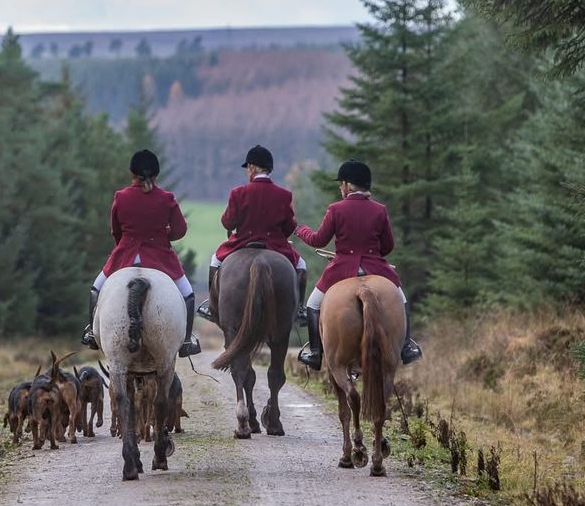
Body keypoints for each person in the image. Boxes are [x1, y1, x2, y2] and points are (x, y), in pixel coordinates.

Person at [293, 159, 422, 370]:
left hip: (342, 268)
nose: (339, 187)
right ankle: (407, 347)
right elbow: (388, 246)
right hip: (376, 267)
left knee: (312, 305)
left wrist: (301, 230)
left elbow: (318, 240)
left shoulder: (335, 209)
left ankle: (315, 353)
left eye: (340, 183)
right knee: (401, 299)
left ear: (347, 184)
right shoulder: (379, 210)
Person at [81, 149, 201, 357]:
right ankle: (186, 341)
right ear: (156, 174)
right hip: (160, 257)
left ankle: (92, 332)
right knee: (188, 293)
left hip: (125, 254)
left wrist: (124, 245)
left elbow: (115, 230)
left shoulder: (121, 197)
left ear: (132, 173)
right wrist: (164, 237)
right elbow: (180, 230)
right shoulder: (167, 198)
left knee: (96, 287)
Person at [196, 145, 307, 326]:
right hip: (275, 244)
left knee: (215, 261)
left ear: (253, 168)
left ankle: (212, 306)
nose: (247, 171)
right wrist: (280, 236)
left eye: (248, 167)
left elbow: (228, 222)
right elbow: (289, 226)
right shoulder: (284, 194)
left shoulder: (238, 193)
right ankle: (299, 309)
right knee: (301, 265)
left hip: (242, 243)